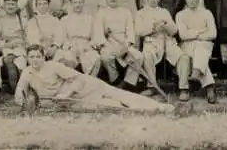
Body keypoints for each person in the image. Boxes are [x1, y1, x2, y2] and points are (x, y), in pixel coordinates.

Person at [14, 45, 174, 113]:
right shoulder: (27, 73)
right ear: (27, 58)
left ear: (43, 57)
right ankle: (145, 109)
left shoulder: (54, 66)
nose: (35, 60)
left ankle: (160, 107)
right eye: (32, 57)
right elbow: (18, 96)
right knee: (112, 106)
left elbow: (77, 79)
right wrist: (26, 103)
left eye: (38, 57)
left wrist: (67, 93)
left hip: (87, 86)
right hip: (73, 100)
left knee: (120, 95)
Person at [135, 0, 192, 101]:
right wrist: (153, 28)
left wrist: (166, 26)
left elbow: (174, 30)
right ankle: (152, 86)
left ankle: (184, 88)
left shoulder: (164, 12)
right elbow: (139, 31)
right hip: (151, 41)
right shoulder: (141, 13)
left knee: (183, 57)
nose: (153, 0)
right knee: (147, 56)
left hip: (167, 41)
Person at [174, 0, 223, 73]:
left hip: (204, 16)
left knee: (208, 39)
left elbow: (211, 4)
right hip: (190, 16)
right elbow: (181, 4)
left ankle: (212, 68)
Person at [93, 0, 144, 89]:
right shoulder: (101, 12)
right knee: (106, 57)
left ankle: (127, 82)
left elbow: (130, 31)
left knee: (138, 56)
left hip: (124, 42)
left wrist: (127, 44)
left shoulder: (126, 11)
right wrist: (107, 46)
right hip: (109, 43)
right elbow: (98, 33)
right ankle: (115, 80)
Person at [175, 0, 217, 104]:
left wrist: (193, 34)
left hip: (204, 44)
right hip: (187, 44)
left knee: (199, 49)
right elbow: (183, 35)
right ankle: (209, 87)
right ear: (185, 0)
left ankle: (195, 75)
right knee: (191, 55)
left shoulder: (207, 13)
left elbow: (213, 34)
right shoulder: (180, 15)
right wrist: (200, 32)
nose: (192, 1)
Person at [55, 0, 101, 76]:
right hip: (71, 46)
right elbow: (63, 37)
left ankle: (90, 81)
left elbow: (95, 36)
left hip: (86, 46)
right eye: (75, 2)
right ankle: (70, 81)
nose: (78, 5)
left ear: (83, 3)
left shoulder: (90, 19)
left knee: (96, 58)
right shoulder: (65, 19)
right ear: (71, 4)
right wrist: (70, 46)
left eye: (80, 2)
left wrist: (88, 46)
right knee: (65, 57)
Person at [0, 0, 29, 92]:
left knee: (21, 63)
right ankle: (13, 89)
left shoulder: (23, 21)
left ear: (17, 6)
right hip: (5, 49)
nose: (10, 7)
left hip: (20, 49)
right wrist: (6, 44)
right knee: (8, 62)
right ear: (4, 6)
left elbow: (28, 38)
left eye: (13, 4)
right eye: (8, 4)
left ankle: (22, 89)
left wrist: (22, 42)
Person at [26, 0, 68, 64]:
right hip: (38, 50)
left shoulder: (55, 20)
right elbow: (32, 38)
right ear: (36, 6)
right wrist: (43, 50)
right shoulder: (32, 22)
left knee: (62, 57)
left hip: (53, 49)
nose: (43, 6)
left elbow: (59, 36)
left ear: (48, 5)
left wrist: (54, 47)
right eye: (40, 4)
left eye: (45, 3)